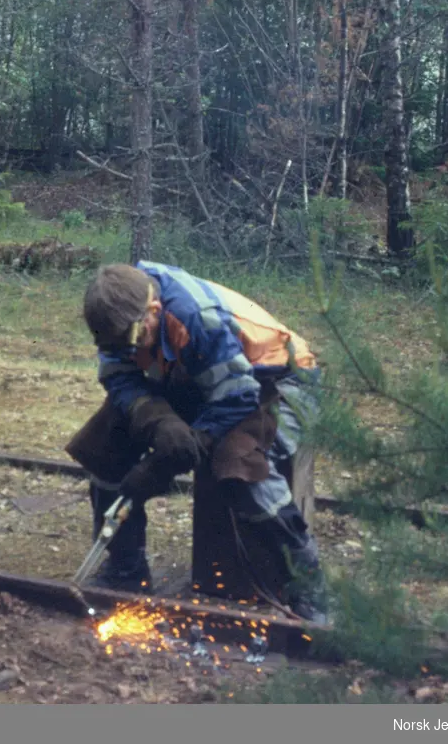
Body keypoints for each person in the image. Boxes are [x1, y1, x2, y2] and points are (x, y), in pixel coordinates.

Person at [66, 260, 328, 623]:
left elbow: (237, 396)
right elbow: (120, 378)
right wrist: (156, 419)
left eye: (132, 342)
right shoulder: (116, 320)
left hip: (277, 381)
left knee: (240, 463)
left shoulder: (197, 318)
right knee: (104, 445)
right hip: (200, 379)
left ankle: (310, 585)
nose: (127, 352)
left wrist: (175, 456)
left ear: (153, 311)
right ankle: (126, 573)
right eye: (114, 345)